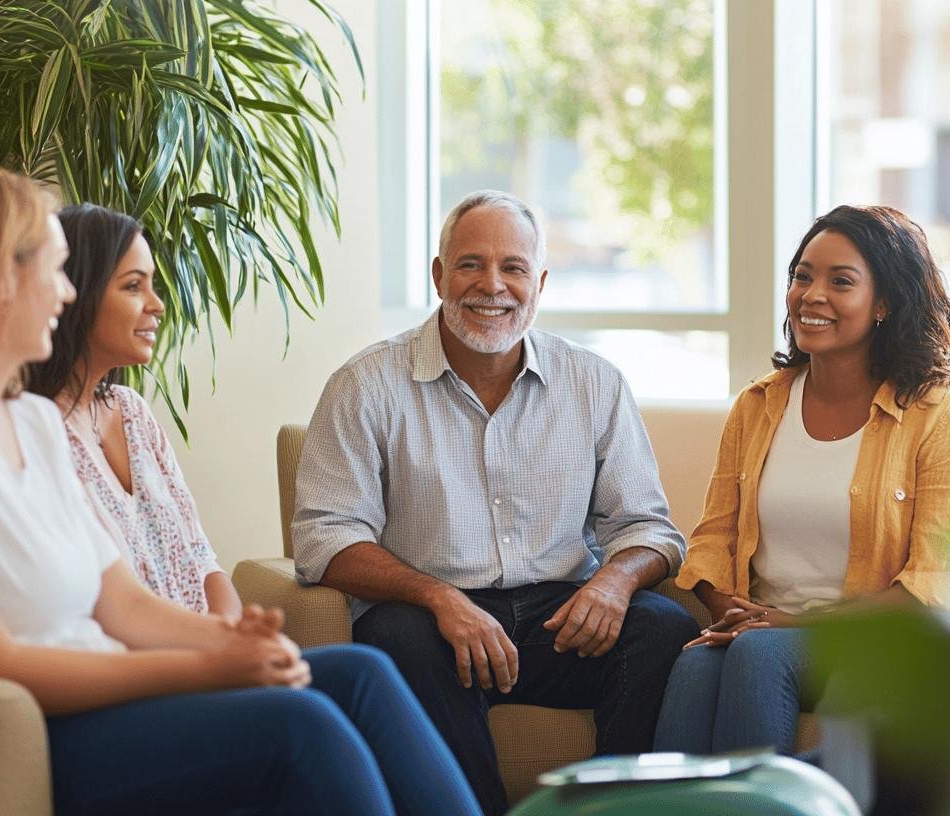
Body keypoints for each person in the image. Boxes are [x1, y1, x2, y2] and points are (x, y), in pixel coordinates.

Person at [0, 162, 480, 816]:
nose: (67, 297)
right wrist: (209, 669)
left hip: (105, 698)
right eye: (54, 274)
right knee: (300, 732)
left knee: (362, 677)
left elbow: (121, 604)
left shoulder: (28, 422)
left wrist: (234, 643)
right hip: (31, 732)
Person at [292, 189, 700, 815]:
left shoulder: (594, 382)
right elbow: (325, 536)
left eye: (512, 268)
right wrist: (439, 598)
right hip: (430, 622)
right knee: (395, 637)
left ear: (539, 282)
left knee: (664, 626)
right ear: (438, 275)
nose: (493, 286)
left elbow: (648, 526)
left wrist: (616, 581)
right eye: (470, 264)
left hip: (558, 622)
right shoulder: (365, 384)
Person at [653, 205, 950, 764]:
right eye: (802, 276)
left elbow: (942, 587)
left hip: (877, 648)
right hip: (763, 634)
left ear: (884, 303)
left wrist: (786, 624)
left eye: (841, 281)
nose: (811, 294)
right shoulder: (759, 405)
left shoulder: (938, 416)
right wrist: (735, 614)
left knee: (758, 656)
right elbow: (712, 540)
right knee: (695, 665)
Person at [24, 204, 239, 618]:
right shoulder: (36, 429)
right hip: (149, 663)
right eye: (133, 287)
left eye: (152, 285)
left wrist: (232, 634)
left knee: (360, 664)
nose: (157, 305)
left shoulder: (133, 411)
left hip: (212, 649)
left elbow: (203, 557)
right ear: (77, 294)